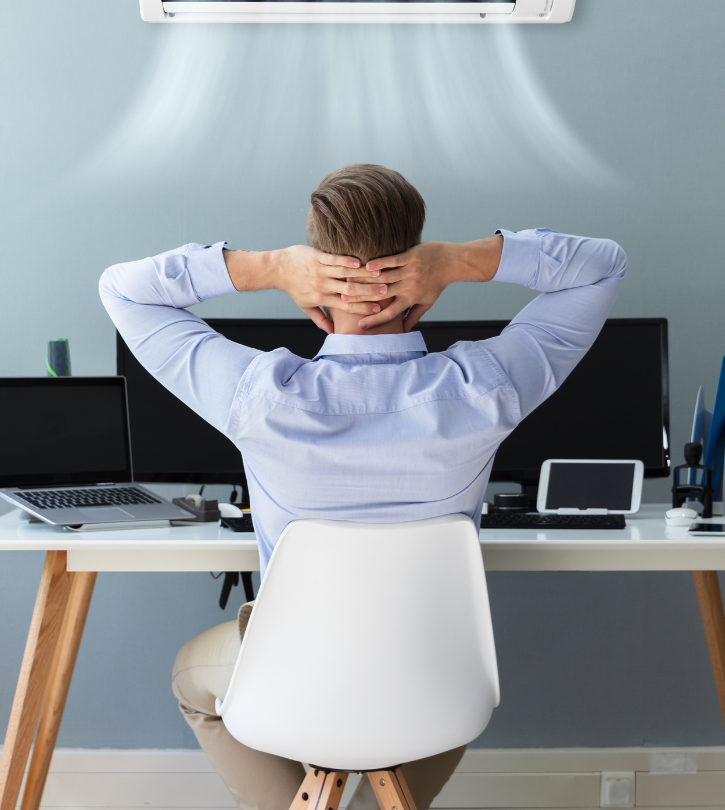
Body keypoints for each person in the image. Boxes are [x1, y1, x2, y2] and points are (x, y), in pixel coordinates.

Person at [99, 164, 626, 810]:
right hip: (432, 687)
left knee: (192, 677)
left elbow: (123, 291)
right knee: (447, 683)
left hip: (293, 687)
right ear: (419, 272)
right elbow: (602, 266)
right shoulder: (482, 389)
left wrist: (269, 268)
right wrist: (456, 261)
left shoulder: (258, 399)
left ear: (315, 272)